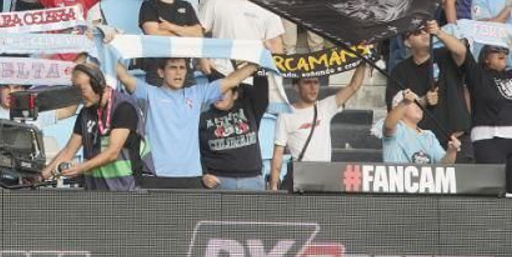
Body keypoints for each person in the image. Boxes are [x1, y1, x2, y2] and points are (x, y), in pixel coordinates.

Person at [113, 55, 259, 187]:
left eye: (182, 68)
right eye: (173, 68)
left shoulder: (197, 94)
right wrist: (105, 48)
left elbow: (231, 81)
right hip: (158, 176)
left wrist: (257, 62)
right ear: (161, 72)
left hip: (192, 176)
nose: (178, 73)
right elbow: (123, 76)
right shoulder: (149, 93)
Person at [435, 26, 512, 194]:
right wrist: (440, 32)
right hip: (489, 139)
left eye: (505, 50)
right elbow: (461, 52)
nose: (502, 53)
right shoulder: (477, 74)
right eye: (496, 50)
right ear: (485, 58)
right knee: (492, 193)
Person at [41, 62, 150, 190]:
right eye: (75, 91)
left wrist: (81, 167)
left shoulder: (124, 107)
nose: (79, 96)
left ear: (97, 86)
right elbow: (68, 151)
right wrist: (42, 176)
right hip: (95, 191)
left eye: (82, 90)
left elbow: (112, 153)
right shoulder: (85, 113)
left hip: (126, 190)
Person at [269, 65, 367, 190]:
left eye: (316, 82)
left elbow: (353, 86)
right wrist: (273, 187)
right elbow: (278, 153)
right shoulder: (286, 115)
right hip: (300, 177)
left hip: (324, 175)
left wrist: (363, 63)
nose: (313, 87)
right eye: (307, 82)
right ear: (296, 87)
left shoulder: (325, 106)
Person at [382, 89, 460, 165]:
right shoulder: (397, 129)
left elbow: (444, 166)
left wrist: (451, 151)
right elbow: (388, 126)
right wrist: (405, 102)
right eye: (414, 102)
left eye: (419, 103)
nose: (419, 106)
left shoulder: (429, 136)